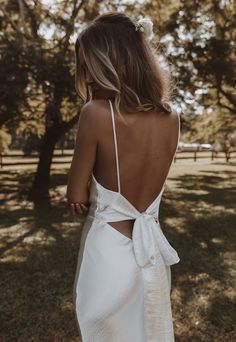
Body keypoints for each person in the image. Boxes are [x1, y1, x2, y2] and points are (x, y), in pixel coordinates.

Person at [67, 11, 180, 342]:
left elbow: (76, 194)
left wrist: (82, 195)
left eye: (88, 66)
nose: (86, 77)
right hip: (151, 255)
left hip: (110, 254)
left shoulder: (96, 114)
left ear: (110, 63)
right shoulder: (172, 117)